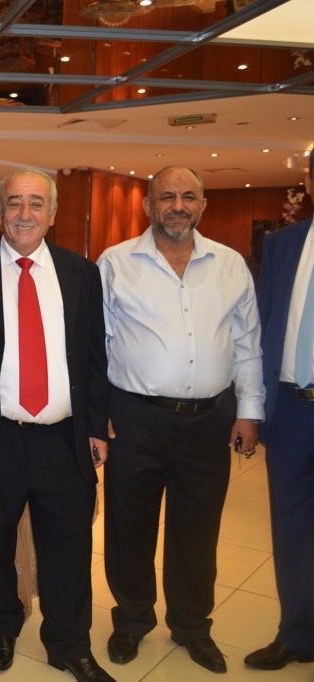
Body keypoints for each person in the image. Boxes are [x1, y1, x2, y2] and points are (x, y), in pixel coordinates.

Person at [99, 166, 264, 674]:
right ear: (148, 205)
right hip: (135, 418)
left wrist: (249, 411)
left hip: (209, 421)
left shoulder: (230, 265)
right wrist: (99, 415)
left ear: (202, 204)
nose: (177, 205)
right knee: (129, 525)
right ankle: (131, 620)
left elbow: (247, 344)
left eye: (188, 196)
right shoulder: (115, 263)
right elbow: (96, 343)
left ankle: (192, 625)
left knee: (198, 528)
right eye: (166, 196)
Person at [0, 169, 113, 682]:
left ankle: (69, 645)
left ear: (52, 212)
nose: (24, 214)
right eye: (14, 203)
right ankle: (3, 626)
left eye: (35, 203)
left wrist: (96, 426)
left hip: (63, 437)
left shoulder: (80, 272)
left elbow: (94, 355)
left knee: (69, 547)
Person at [246, 154, 314, 671]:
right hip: (291, 410)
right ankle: (297, 634)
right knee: (292, 530)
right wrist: (255, 407)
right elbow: (263, 328)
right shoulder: (282, 244)